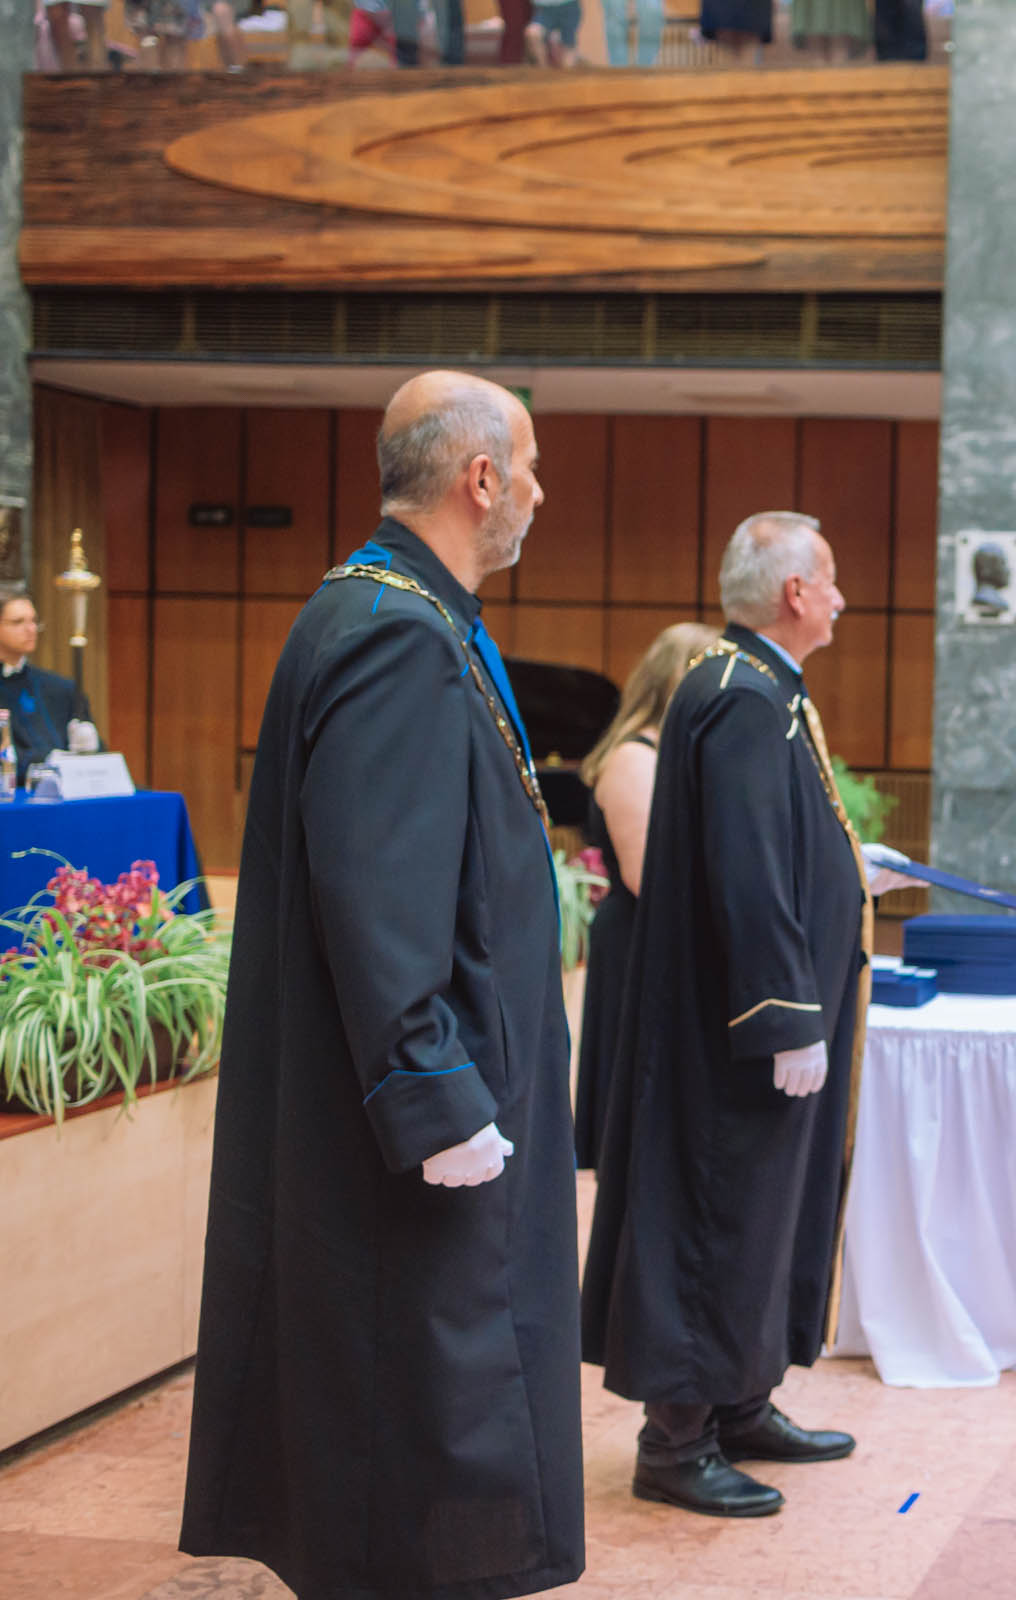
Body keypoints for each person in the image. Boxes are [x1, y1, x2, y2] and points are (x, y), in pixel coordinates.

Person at [181, 373, 584, 1600]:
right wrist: (433, 1091)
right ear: (479, 478)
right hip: (419, 1122)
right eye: (530, 467)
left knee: (418, 1399)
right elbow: (379, 892)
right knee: (421, 1403)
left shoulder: (397, 610)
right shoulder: (397, 634)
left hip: (436, 1090)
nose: (539, 492)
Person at [581, 513, 915, 1518]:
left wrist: (847, 866)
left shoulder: (758, 685)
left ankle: (740, 1399)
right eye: (833, 579)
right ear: (795, 593)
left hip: (754, 1022)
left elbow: (775, 844)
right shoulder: (741, 695)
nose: (843, 598)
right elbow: (745, 870)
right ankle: (677, 1443)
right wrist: (784, 1013)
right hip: (738, 1033)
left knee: (764, 1213)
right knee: (720, 1214)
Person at [572, 620, 720, 1170]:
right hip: (640, 938)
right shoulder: (635, 758)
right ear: (676, 680)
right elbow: (646, 875)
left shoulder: (673, 751)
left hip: (663, 933)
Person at [0, 591, 100, 781]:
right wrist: (47, 763)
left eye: (34, 621)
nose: (31, 629)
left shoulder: (62, 689)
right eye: (18, 622)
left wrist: (89, 749)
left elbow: (94, 755)